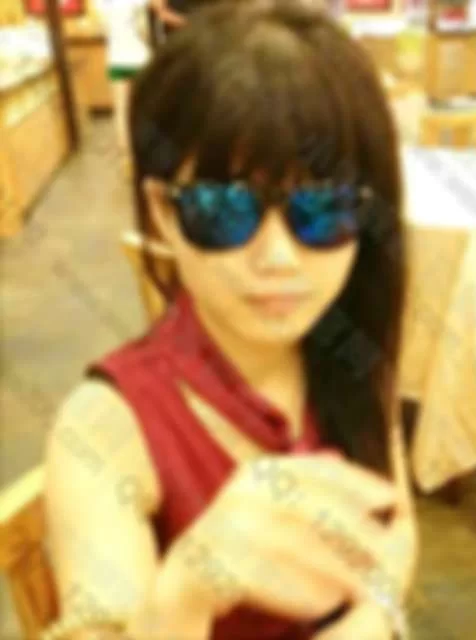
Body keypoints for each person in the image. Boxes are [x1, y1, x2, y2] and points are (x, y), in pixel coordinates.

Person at [43, 1, 417, 639]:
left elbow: (397, 525)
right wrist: (188, 587)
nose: (278, 258)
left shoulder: (349, 346)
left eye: (321, 209)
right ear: (163, 213)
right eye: (225, 211)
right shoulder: (106, 427)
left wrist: (373, 616)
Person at [95, 0, 152, 175]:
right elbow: (144, 30)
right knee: (142, 109)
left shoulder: (102, 3)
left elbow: (102, 29)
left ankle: (127, 158)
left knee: (121, 110)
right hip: (140, 58)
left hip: (116, 59)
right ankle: (145, 152)